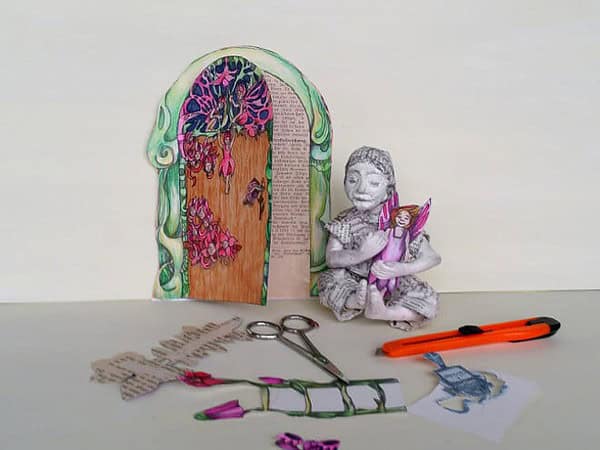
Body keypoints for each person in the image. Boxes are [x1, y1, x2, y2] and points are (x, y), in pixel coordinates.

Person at [318, 146, 441, 329]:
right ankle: (355, 301)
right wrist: (361, 254)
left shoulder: (401, 221)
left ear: (388, 189)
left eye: (374, 183)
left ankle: (384, 312)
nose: (361, 188)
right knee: (328, 280)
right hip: (354, 280)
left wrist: (401, 269)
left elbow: (433, 257)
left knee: (428, 297)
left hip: (394, 279)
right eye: (352, 180)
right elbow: (331, 259)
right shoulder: (345, 221)